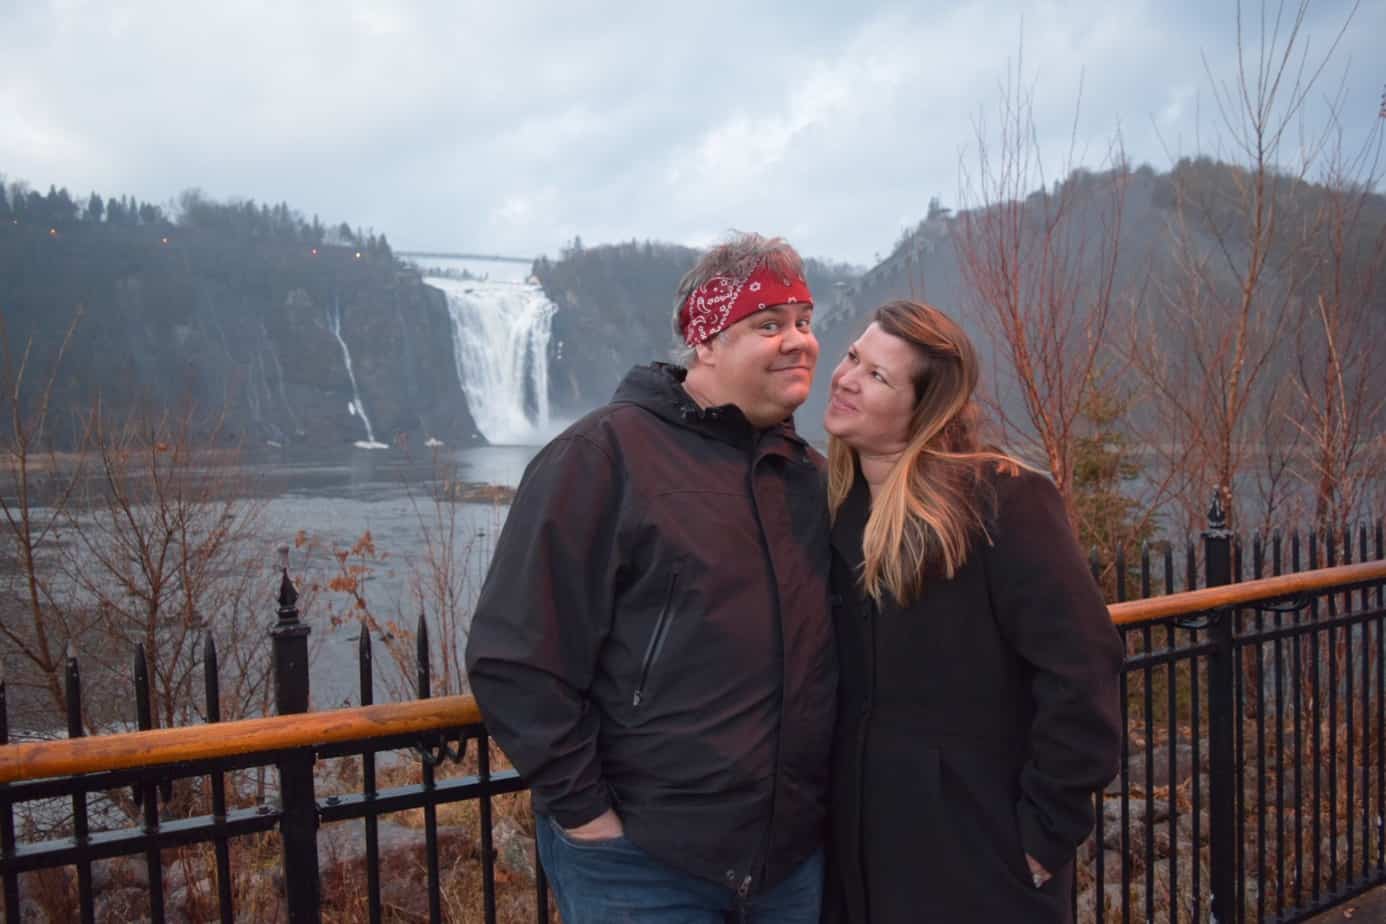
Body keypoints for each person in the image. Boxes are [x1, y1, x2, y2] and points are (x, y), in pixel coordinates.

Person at [465, 232, 836, 923]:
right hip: (642, 865)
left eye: (805, 322)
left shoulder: (809, 478)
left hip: (787, 862)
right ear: (706, 341)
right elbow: (515, 655)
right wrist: (587, 818)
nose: (799, 340)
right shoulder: (600, 459)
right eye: (769, 324)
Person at [820, 299, 1123, 923]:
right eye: (853, 356)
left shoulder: (1002, 500)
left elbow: (1083, 670)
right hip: (861, 859)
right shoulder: (832, 510)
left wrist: (1044, 834)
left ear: (922, 410)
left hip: (980, 861)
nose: (846, 377)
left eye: (878, 376)